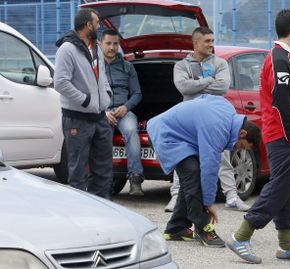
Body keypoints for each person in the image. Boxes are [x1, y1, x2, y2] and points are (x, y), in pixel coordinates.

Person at [226, 9, 290, 264]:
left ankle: (286, 246)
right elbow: (280, 100)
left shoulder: (287, 57)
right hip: (285, 137)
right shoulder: (279, 58)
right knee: (279, 188)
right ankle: (241, 236)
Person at [147, 94, 261, 248]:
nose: (237, 148)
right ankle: (203, 227)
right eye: (241, 146)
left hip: (177, 135)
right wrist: (208, 203)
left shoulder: (227, 110)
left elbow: (204, 97)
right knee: (194, 174)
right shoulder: (218, 129)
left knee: (190, 179)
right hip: (166, 135)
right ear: (242, 133)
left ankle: (176, 228)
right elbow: (209, 169)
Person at [165, 26, 250, 212]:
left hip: (214, 120)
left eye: (213, 40)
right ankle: (175, 197)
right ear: (195, 43)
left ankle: (232, 197)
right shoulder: (181, 66)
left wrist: (195, 84)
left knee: (223, 157)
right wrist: (208, 81)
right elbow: (183, 88)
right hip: (189, 120)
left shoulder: (220, 63)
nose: (212, 44)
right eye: (207, 41)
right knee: (183, 156)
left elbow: (223, 87)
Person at [54, 8, 113, 199]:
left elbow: (101, 75)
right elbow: (60, 82)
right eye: (96, 22)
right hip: (77, 119)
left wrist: (106, 96)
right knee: (78, 171)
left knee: (103, 169)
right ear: (88, 25)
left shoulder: (96, 46)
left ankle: (102, 209)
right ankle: (79, 216)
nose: (99, 25)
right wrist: (86, 100)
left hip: (99, 116)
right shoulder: (67, 49)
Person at [99, 29, 145, 196]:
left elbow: (137, 94)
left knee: (132, 131)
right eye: (108, 43)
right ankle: (106, 183)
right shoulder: (94, 66)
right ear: (100, 44)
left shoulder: (127, 67)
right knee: (103, 138)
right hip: (103, 112)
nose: (112, 47)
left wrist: (126, 107)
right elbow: (90, 92)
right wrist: (103, 111)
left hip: (123, 111)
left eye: (115, 44)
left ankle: (135, 178)